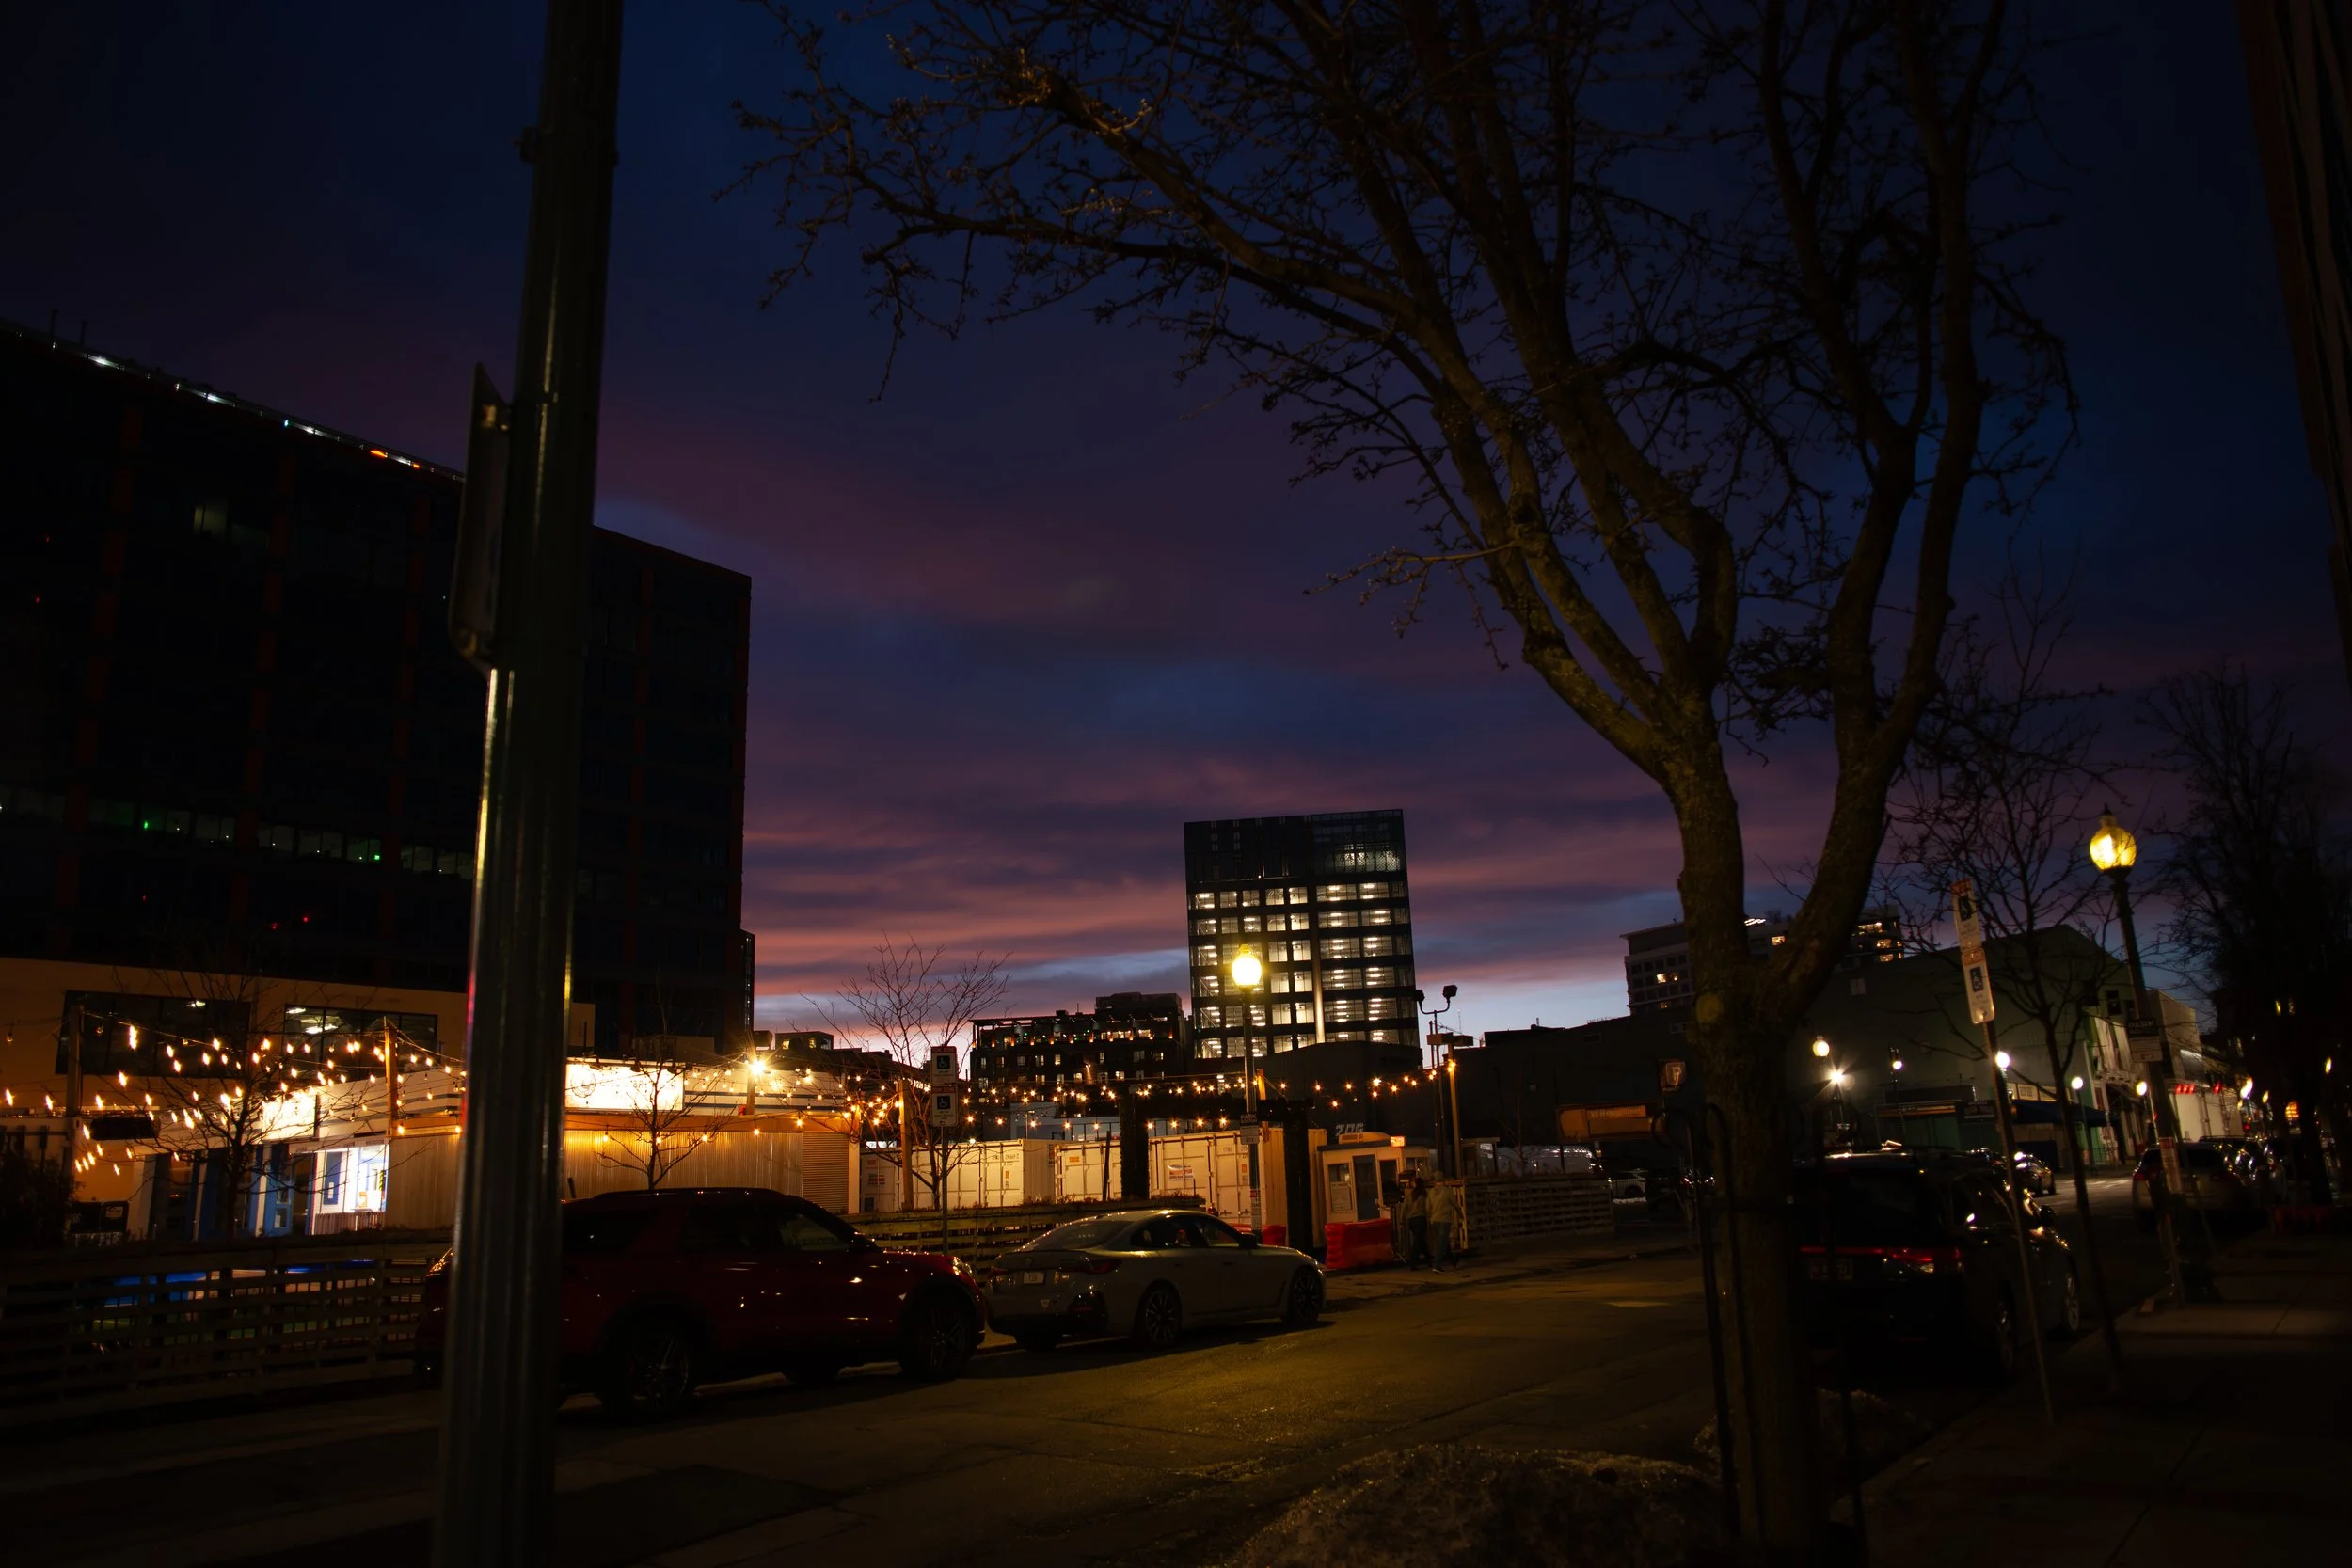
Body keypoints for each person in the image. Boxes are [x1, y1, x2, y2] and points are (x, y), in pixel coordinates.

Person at [1426, 1177, 1462, 1271]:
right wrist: (1461, 1215)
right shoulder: (1447, 1191)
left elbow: (1428, 1208)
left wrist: (1431, 1218)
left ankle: (1453, 1261)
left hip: (1434, 1221)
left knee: (1442, 1243)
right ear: (1443, 1181)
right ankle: (1437, 1265)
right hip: (1444, 1220)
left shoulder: (1431, 1192)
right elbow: (1455, 1204)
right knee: (1442, 1244)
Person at [1398, 1174, 1431, 1269]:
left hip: (1412, 1220)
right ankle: (1414, 1261)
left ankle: (1429, 1259)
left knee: (1420, 1240)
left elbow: (1404, 1208)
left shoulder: (1410, 1195)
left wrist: (1401, 1221)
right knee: (1418, 1241)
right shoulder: (1425, 1195)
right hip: (1421, 1219)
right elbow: (1428, 1208)